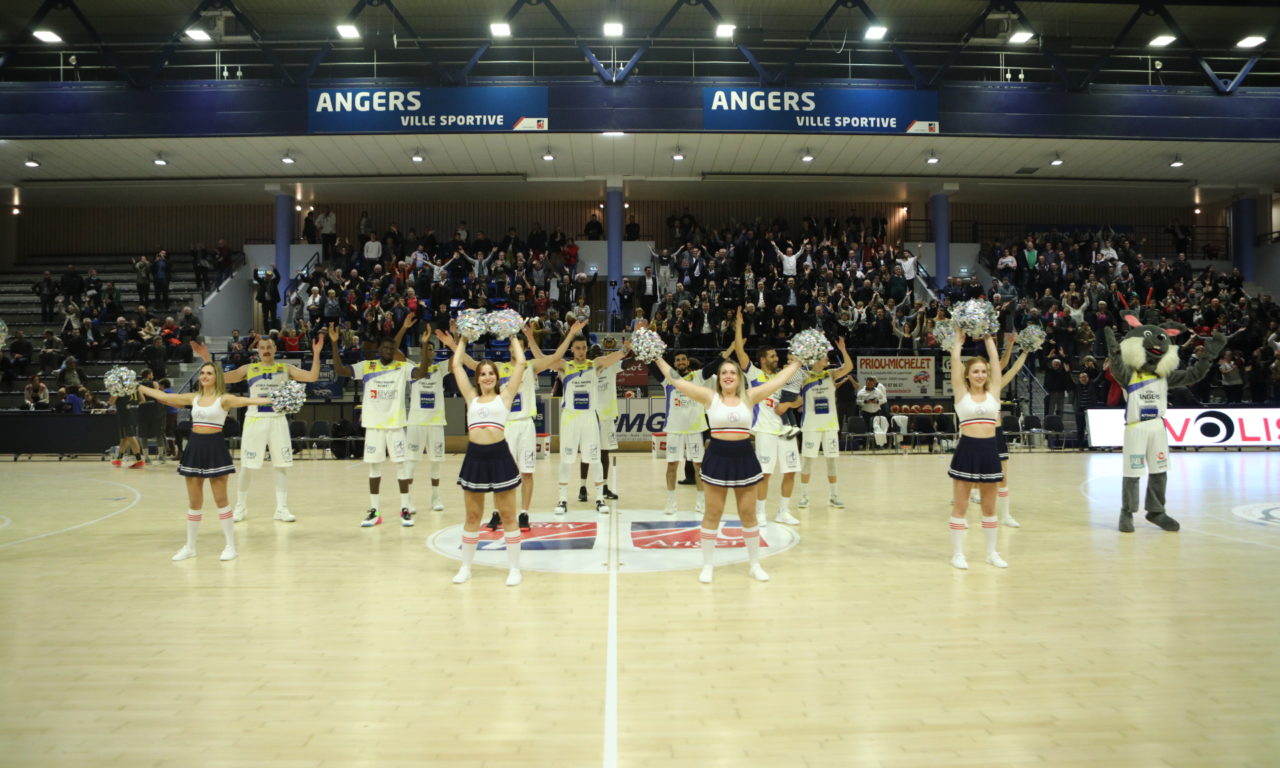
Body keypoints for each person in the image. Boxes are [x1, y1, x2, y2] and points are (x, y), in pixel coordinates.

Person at [654, 352, 800, 583]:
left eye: (733, 372)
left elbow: (779, 380)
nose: (728, 376)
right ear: (719, 377)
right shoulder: (709, 397)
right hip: (717, 457)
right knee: (713, 513)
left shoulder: (750, 396)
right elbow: (677, 380)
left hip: (744, 457)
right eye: (724, 373)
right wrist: (657, 359)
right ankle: (708, 565)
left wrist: (799, 362)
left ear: (740, 378)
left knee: (748, 514)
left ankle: (754, 565)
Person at [137, 364, 272, 562]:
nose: (204, 376)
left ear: (217, 377)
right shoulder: (193, 398)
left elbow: (248, 400)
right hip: (195, 447)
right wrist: (138, 387)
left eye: (209, 373)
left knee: (221, 499)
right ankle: (190, 547)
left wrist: (275, 399)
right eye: (202, 373)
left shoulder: (224, 399)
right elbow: (164, 397)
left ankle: (230, 546)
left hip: (215, 447)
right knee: (194, 502)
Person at [193, 333, 325, 523]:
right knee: (247, 466)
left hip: (277, 420)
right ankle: (240, 507)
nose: (266, 350)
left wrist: (317, 353)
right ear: (257, 351)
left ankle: (281, 509)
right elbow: (221, 378)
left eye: (269, 347)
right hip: (255, 420)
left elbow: (312, 376)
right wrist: (206, 358)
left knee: (281, 465)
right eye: (262, 347)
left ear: (275, 349)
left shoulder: (285, 368)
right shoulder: (249, 368)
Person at [328, 320, 431, 528]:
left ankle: (405, 509)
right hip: (374, 426)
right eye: (385, 347)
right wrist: (334, 343)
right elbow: (340, 370)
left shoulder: (402, 367)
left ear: (395, 351)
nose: (388, 350)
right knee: (374, 469)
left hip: (395, 426)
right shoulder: (367, 366)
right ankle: (375, 511)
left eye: (392, 348)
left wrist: (424, 345)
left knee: (402, 468)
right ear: (379, 349)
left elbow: (421, 373)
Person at [447, 333, 528, 586]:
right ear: (478, 378)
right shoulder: (470, 397)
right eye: (482, 374)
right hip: (475, 458)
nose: (487, 377)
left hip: (500, 457)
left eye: (491, 373)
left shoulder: (505, 397)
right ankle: (466, 567)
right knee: (473, 516)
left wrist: (512, 334)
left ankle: (514, 569)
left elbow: (521, 363)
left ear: (497, 376)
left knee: (508, 515)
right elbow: (456, 365)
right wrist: (463, 338)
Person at [544, 327, 629, 515]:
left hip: (590, 417)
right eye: (577, 348)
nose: (581, 351)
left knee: (595, 458)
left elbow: (615, 357)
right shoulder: (564, 366)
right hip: (570, 419)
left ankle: (599, 499)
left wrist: (626, 347)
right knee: (566, 460)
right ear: (572, 349)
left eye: (583, 348)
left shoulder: (595, 364)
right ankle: (562, 499)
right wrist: (568, 335)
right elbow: (543, 359)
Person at [947, 330, 1007, 570]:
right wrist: (958, 343)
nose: (980, 375)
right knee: (961, 506)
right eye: (975, 371)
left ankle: (992, 553)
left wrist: (988, 338)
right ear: (967, 375)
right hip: (967, 450)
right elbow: (955, 362)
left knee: (989, 507)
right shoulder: (961, 394)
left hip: (990, 451)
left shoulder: (994, 393)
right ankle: (958, 554)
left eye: (983, 371)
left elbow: (995, 362)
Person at [798, 337, 853, 509]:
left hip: (829, 425)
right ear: (816, 360)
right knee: (807, 461)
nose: (827, 360)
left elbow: (849, 367)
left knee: (831, 461)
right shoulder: (804, 376)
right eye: (824, 357)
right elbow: (788, 372)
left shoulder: (831, 374)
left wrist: (843, 350)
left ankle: (834, 496)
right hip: (811, 425)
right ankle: (804, 496)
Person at [404, 336, 450, 515]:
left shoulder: (440, 368)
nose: (428, 352)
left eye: (431, 349)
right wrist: (420, 340)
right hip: (416, 422)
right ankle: (407, 499)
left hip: (436, 422)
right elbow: (397, 354)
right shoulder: (412, 369)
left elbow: (457, 358)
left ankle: (436, 497)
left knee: (436, 462)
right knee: (411, 462)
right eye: (425, 349)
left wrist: (455, 338)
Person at [109, 380, 145, 468]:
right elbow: (143, 400)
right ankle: (119, 459)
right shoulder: (136, 388)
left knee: (130, 436)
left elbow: (111, 402)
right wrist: (133, 405)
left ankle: (139, 460)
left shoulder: (119, 388)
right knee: (124, 438)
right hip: (134, 413)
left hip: (125, 415)